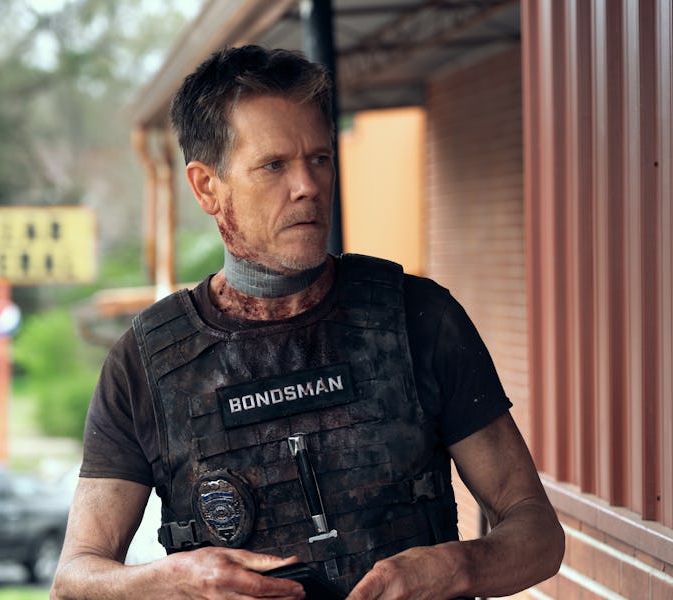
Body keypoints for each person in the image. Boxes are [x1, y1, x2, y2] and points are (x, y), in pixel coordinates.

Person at [51, 45, 564, 600]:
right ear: (206, 187)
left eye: (319, 158)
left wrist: (460, 568)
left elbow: (537, 532)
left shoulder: (418, 317)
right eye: (274, 165)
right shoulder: (146, 362)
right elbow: (75, 580)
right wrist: (173, 581)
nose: (308, 186)